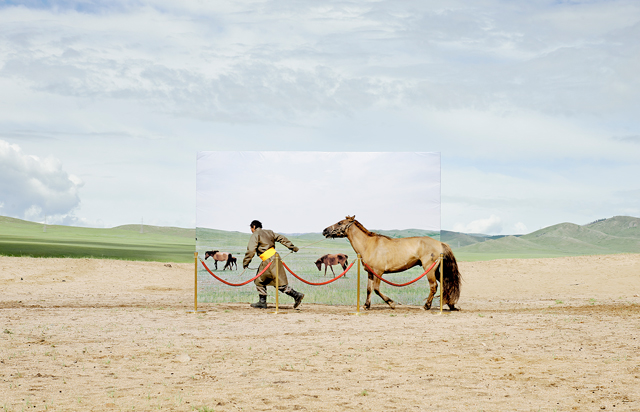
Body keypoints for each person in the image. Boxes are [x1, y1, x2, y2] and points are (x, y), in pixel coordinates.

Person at [243, 220, 305, 309]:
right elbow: (282, 238)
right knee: (261, 279)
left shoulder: (255, 234)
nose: (251, 230)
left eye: (251, 228)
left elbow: (251, 250)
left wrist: (246, 262)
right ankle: (262, 302)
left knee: (275, 282)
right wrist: (292, 247)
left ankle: (296, 295)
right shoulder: (270, 232)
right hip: (274, 258)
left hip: (269, 260)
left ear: (253, 227)